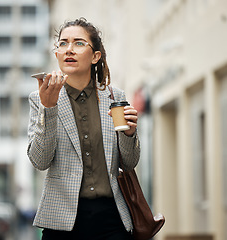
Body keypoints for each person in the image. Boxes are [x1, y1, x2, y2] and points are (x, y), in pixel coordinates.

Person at [27, 17, 140, 240]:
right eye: (63, 43)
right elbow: (40, 160)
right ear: (57, 53)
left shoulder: (115, 96)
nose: (69, 49)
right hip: (61, 220)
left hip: (111, 217)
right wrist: (48, 108)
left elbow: (129, 162)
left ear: (95, 56)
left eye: (79, 43)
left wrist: (129, 134)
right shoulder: (39, 98)